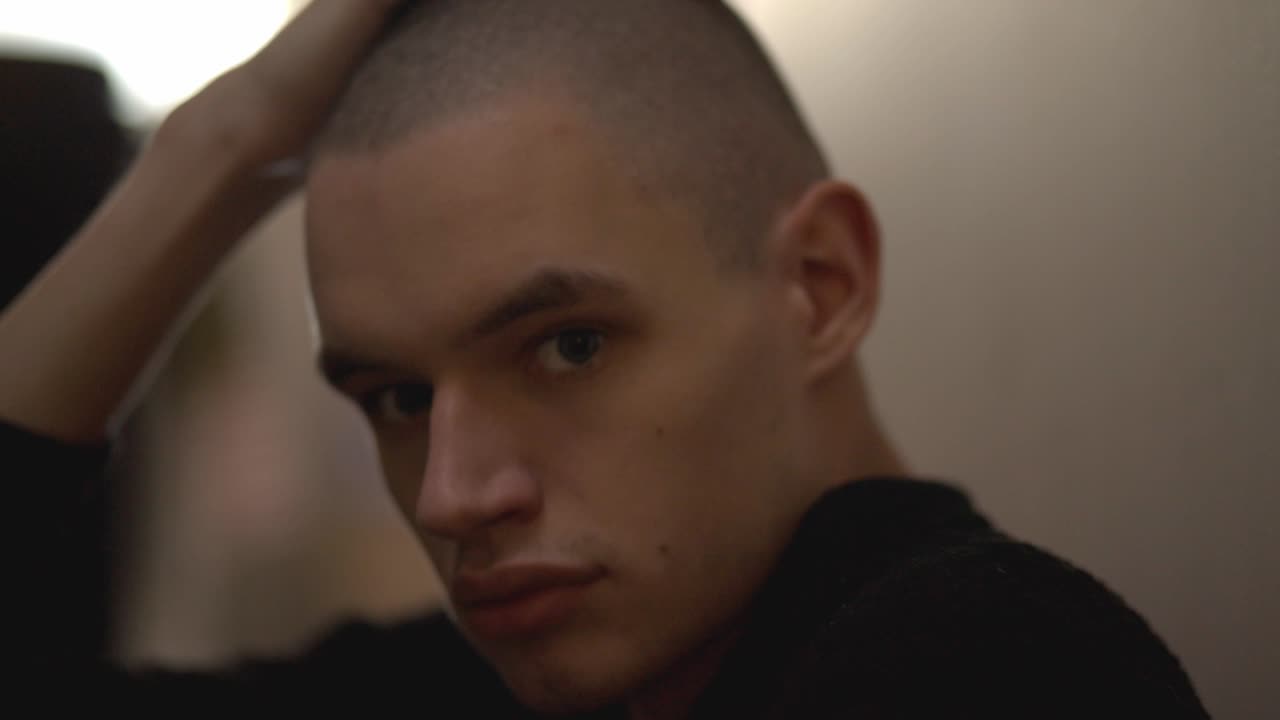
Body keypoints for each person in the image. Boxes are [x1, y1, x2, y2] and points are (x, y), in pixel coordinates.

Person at [3, 1, 1210, 717]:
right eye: (398, 398)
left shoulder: (982, 664)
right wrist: (222, 141)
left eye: (566, 346)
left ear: (819, 288)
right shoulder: (489, 685)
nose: (452, 496)